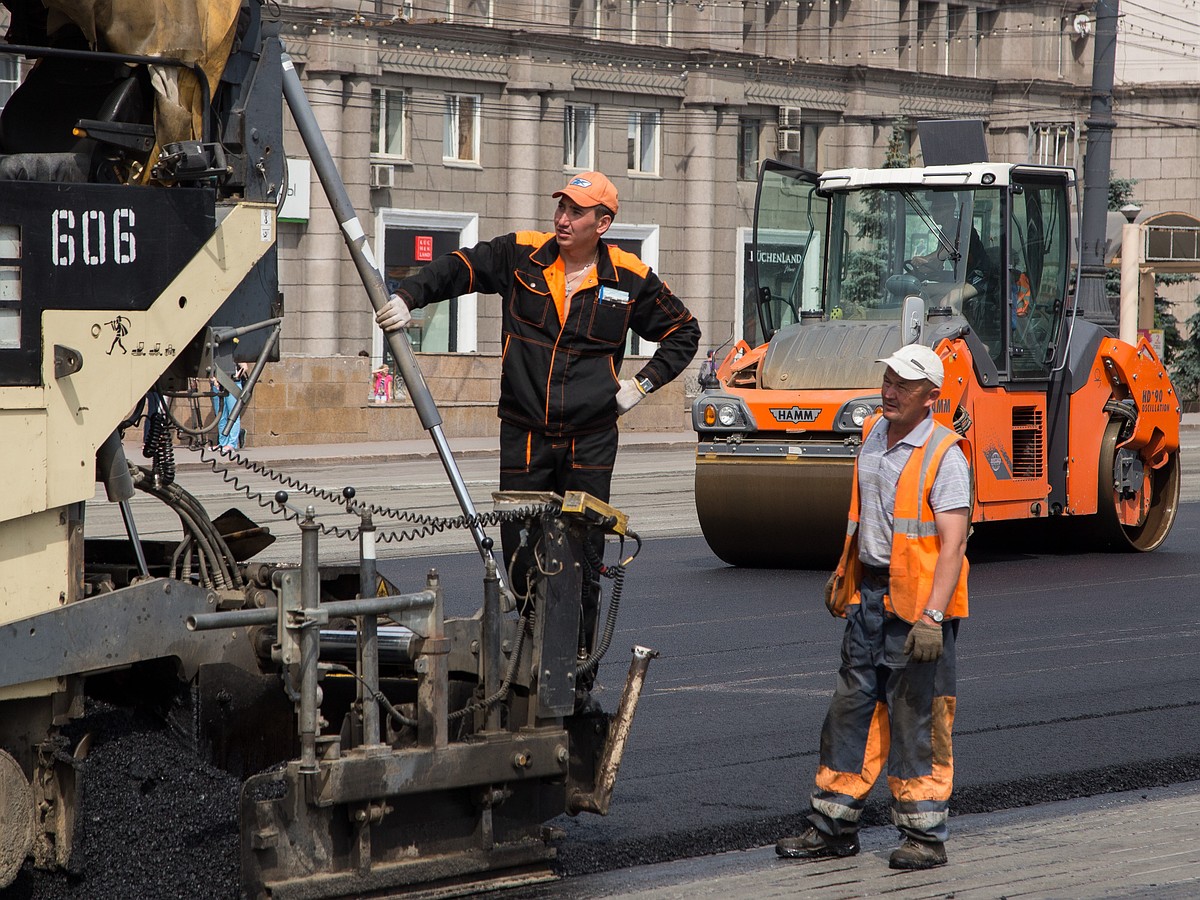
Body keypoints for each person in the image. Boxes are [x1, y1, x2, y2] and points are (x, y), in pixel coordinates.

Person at [376, 171, 700, 699]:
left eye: (576, 211)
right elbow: (461, 267)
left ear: (604, 222)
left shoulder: (629, 276)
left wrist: (638, 388)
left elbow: (684, 331)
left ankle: (577, 676)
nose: (563, 219)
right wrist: (410, 297)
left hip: (591, 440)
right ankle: (524, 672)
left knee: (583, 560)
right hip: (525, 434)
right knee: (522, 556)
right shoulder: (523, 255)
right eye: (561, 208)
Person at [775, 343, 970, 871]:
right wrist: (846, 575)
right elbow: (867, 519)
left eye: (904, 384)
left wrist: (932, 617)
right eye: (887, 379)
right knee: (851, 711)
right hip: (870, 599)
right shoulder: (872, 437)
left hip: (919, 609)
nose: (889, 390)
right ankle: (833, 828)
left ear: (931, 396)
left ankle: (924, 838)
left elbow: (952, 544)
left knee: (918, 719)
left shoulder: (944, 454)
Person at [211, 363, 248, 449]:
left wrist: (237, 375)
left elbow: (245, 367)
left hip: (232, 383)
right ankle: (222, 442)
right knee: (220, 415)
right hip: (217, 384)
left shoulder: (233, 351)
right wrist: (214, 380)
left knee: (233, 414)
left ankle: (232, 443)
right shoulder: (214, 351)